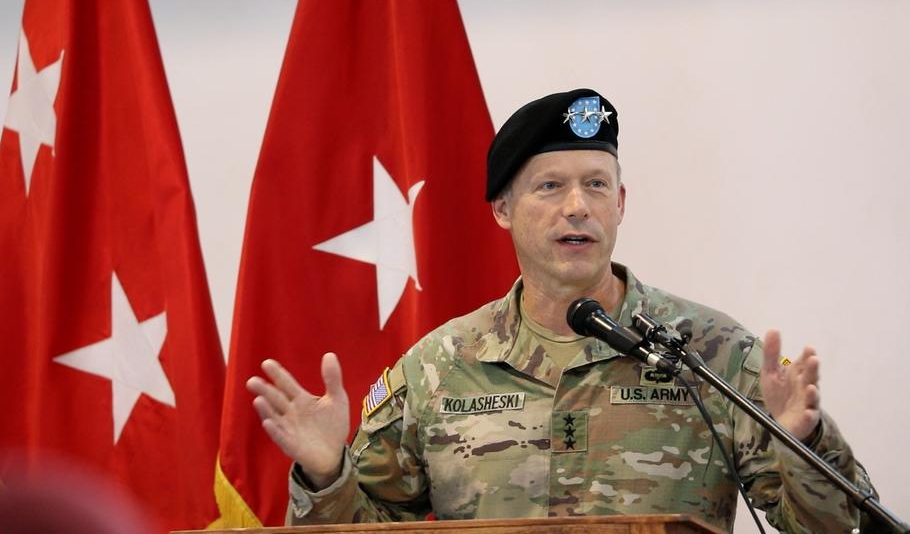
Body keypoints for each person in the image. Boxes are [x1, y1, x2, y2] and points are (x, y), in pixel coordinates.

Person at [247, 89, 875, 532]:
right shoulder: (438, 367)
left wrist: (805, 444)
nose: (578, 206)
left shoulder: (710, 352)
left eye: (596, 185)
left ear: (621, 203)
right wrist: (328, 473)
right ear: (502, 209)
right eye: (550, 186)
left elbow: (829, 530)